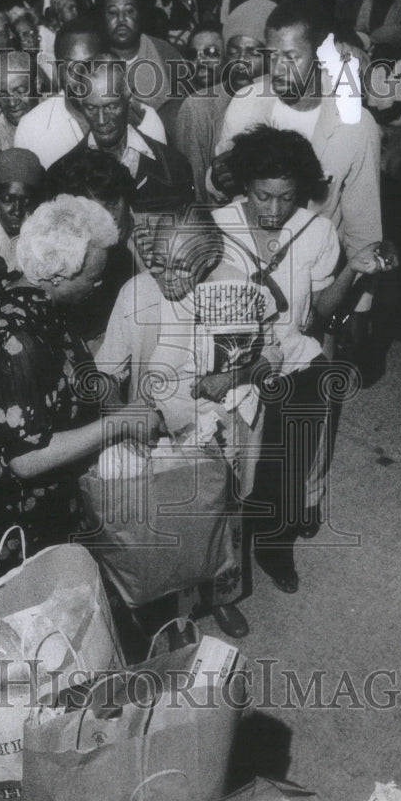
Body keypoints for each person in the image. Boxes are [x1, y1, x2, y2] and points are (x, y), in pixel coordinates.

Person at [210, 125, 397, 591]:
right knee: (224, 472)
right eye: (263, 196)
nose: (274, 210)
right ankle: (218, 558)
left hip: (295, 360)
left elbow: (317, 315)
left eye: (286, 197)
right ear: (246, 187)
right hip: (232, 366)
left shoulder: (316, 233)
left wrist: (353, 271)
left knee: (288, 463)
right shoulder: (216, 228)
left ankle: (275, 547)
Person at [0, 195, 164, 578]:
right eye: (93, 277)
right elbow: (27, 458)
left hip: (61, 493)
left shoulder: (39, 302)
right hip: (24, 514)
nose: (99, 285)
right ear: (57, 274)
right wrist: (119, 424)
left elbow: (71, 371)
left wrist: (115, 400)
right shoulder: (17, 337)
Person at [95, 214, 268, 637]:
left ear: (209, 259)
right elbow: (104, 374)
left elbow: (269, 358)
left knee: (224, 514)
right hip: (156, 431)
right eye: (159, 263)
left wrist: (232, 377)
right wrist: (123, 418)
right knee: (166, 521)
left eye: (182, 266)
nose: (167, 276)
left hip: (223, 427)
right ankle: (171, 610)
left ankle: (222, 596)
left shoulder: (235, 286)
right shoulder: (135, 293)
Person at [210, 0, 383, 343]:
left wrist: (361, 307)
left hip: (314, 279)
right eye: (272, 55)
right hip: (244, 272)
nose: (278, 69)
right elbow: (217, 191)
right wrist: (217, 179)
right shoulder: (245, 105)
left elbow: (363, 225)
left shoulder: (356, 124)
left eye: (292, 57)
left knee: (305, 379)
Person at [14, 18, 166, 169]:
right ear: (57, 68)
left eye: (91, 65)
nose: (81, 76)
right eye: (72, 67)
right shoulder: (31, 128)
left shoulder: (147, 121)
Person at [51, 58, 194, 217]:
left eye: (111, 107)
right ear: (80, 102)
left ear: (129, 98)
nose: (101, 120)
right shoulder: (60, 177)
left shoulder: (174, 166)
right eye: (91, 108)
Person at [173, 0, 275, 200]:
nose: (240, 61)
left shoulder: (284, 101)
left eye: (253, 52)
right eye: (234, 52)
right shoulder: (199, 108)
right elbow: (194, 194)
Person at [46, 147, 137, 342]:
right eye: (97, 209)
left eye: (114, 203)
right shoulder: (68, 255)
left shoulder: (147, 245)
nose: (110, 217)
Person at [97, 0, 189, 114]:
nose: (121, 20)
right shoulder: (95, 55)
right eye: (113, 12)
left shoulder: (164, 52)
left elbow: (187, 109)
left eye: (129, 11)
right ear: (102, 16)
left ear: (140, 13)